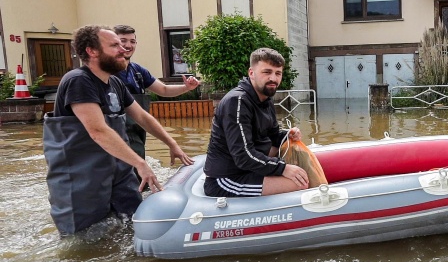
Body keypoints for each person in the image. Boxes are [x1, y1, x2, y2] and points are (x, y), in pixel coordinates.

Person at [43, 25, 194, 235]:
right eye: (115, 45)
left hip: (118, 174)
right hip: (81, 180)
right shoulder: (78, 81)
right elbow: (98, 131)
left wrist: (173, 144)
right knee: (85, 242)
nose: (124, 49)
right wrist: (141, 163)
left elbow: (142, 116)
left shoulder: (115, 82)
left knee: (133, 225)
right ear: (92, 51)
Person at [204, 47, 309, 197]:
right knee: (299, 183)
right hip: (227, 177)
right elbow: (243, 156)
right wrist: (283, 169)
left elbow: (273, 137)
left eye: (278, 73)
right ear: (251, 73)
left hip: (249, 168)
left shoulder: (265, 99)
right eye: (267, 72)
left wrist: (288, 135)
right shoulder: (237, 102)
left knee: (292, 154)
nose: (273, 78)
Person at [113, 25, 200, 160]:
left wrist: (186, 87)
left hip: (137, 135)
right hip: (114, 138)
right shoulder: (105, 72)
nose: (128, 45)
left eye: (132, 41)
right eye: (123, 40)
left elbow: (163, 90)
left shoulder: (137, 71)